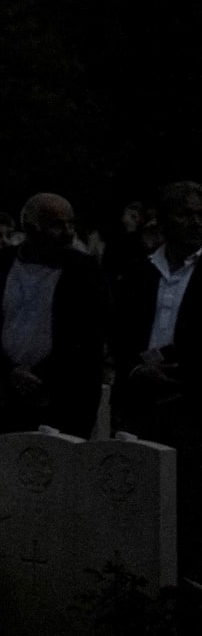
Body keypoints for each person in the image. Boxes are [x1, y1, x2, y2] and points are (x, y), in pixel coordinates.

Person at [0, 192, 108, 457]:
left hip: (63, 397)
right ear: (31, 228)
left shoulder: (84, 271)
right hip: (2, 393)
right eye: (57, 225)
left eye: (70, 224)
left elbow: (90, 336)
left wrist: (45, 377)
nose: (67, 233)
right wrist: (8, 370)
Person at [112, 178, 199, 567]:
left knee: (188, 505)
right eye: (185, 214)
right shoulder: (139, 271)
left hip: (190, 404)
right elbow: (119, 332)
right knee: (135, 500)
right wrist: (134, 369)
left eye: (201, 215)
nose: (195, 223)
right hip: (139, 401)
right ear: (164, 222)